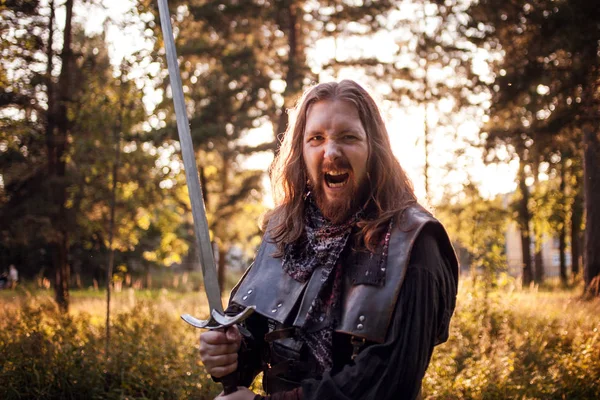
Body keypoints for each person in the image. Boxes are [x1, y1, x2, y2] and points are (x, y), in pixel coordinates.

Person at [199, 80, 458, 400]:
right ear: (301, 151)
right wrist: (230, 351)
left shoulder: (413, 241)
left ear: (374, 148)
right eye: (316, 138)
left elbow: (390, 382)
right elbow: (253, 334)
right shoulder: (284, 230)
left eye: (348, 137)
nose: (331, 152)